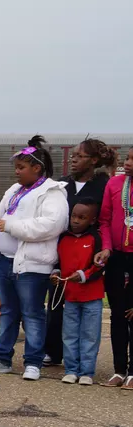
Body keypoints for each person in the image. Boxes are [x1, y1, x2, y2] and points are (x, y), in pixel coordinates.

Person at [0, 136, 69, 381]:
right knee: (9, 311)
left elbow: (52, 224)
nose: (16, 172)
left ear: (37, 168)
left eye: (21, 167)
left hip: (32, 266)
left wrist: (13, 226)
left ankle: (33, 361)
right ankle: (2, 357)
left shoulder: (53, 192)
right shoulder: (14, 191)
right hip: (6, 261)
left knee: (33, 313)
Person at [45, 138, 116, 367]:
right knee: (56, 302)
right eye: (73, 155)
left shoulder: (104, 186)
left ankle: (84, 363)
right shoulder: (62, 185)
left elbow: (106, 220)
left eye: (80, 156)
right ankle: (54, 352)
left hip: (89, 253)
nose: (73, 159)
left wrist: (105, 248)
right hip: (63, 250)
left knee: (83, 309)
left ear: (94, 161)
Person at [52, 198, 105, 385]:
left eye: (82, 217)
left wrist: (83, 274)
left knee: (90, 335)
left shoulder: (95, 238)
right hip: (70, 296)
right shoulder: (63, 238)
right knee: (70, 334)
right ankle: (71, 369)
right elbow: (57, 262)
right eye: (74, 216)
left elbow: (100, 266)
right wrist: (56, 273)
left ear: (91, 220)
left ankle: (87, 372)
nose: (75, 220)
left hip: (92, 296)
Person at [95, 146, 133, 389]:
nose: (128, 163)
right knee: (118, 314)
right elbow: (105, 221)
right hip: (117, 256)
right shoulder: (114, 184)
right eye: (128, 158)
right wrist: (107, 247)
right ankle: (119, 369)